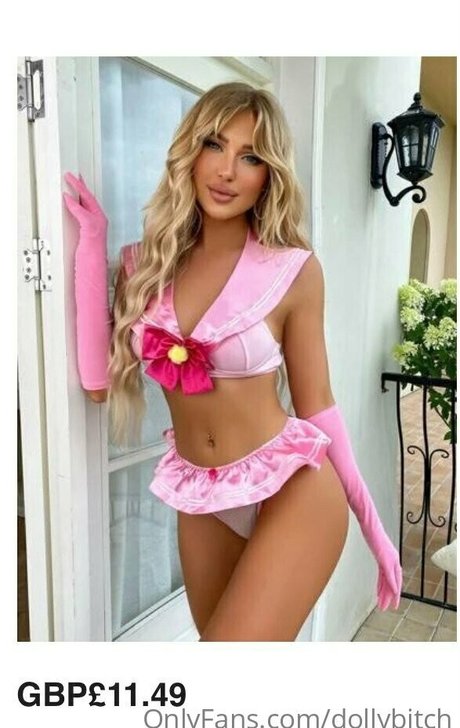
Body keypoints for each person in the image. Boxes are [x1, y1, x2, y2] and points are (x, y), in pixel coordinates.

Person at [63, 81, 402, 642]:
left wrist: (375, 531)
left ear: (269, 174)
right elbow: (97, 386)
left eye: (250, 157)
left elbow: (319, 408)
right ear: (190, 153)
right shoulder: (142, 267)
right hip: (201, 493)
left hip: (294, 489)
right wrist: (91, 244)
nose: (226, 171)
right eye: (215, 145)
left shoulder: (293, 270)